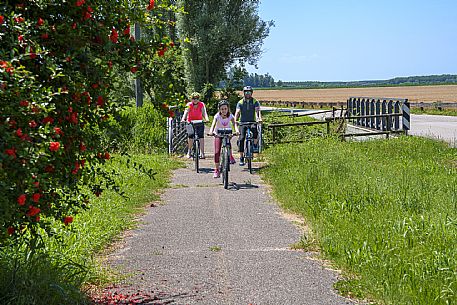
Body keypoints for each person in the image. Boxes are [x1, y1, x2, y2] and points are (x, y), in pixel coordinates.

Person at [208, 100, 239, 178]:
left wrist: (237, 130)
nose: (224, 111)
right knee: (217, 152)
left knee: (228, 143)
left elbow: (234, 123)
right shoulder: (217, 116)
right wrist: (211, 131)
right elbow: (213, 124)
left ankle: (230, 155)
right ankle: (216, 169)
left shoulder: (231, 116)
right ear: (219, 109)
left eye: (225, 109)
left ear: (228, 109)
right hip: (218, 133)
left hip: (228, 132)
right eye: (222, 109)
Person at [234, 86, 262, 166]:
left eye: (249, 92)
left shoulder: (254, 101)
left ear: (251, 93)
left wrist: (259, 118)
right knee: (241, 138)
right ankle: (241, 157)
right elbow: (237, 112)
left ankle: (255, 145)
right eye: (246, 92)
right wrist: (235, 120)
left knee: (255, 132)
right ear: (244, 93)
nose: (247, 94)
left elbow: (257, 111)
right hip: (242, 122)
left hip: (252, 122)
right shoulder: (240, 102)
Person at [181, 92, 209, 159]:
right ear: (191, 99)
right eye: (194, 98)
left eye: (197, 98)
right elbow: (186, 112)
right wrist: (183, 119)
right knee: (190, 135)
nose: (195, 100)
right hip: (190, 122)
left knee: (201, 136)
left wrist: (207, 119)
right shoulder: (189, 104)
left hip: (199, 122)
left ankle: (202, 153)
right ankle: (189, 151)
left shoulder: (201, 104)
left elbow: (204, 112)